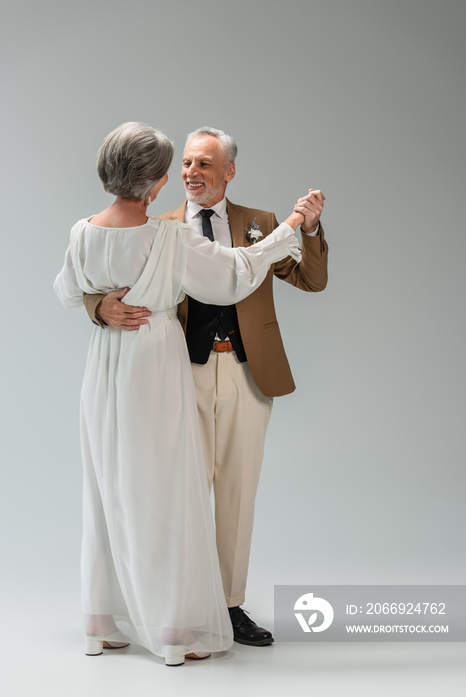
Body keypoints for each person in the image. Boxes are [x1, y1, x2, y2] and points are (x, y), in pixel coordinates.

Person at [54, 122, 307, 666]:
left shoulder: (81, 231)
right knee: (165, 494)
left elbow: (66, 289)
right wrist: (288, 228)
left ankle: (100, 623)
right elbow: (235, 276)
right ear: (158, 182)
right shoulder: (167, 236)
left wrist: (100, 305)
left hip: (104, 373)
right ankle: (171, 632)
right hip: (156, 368)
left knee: (106, 489)